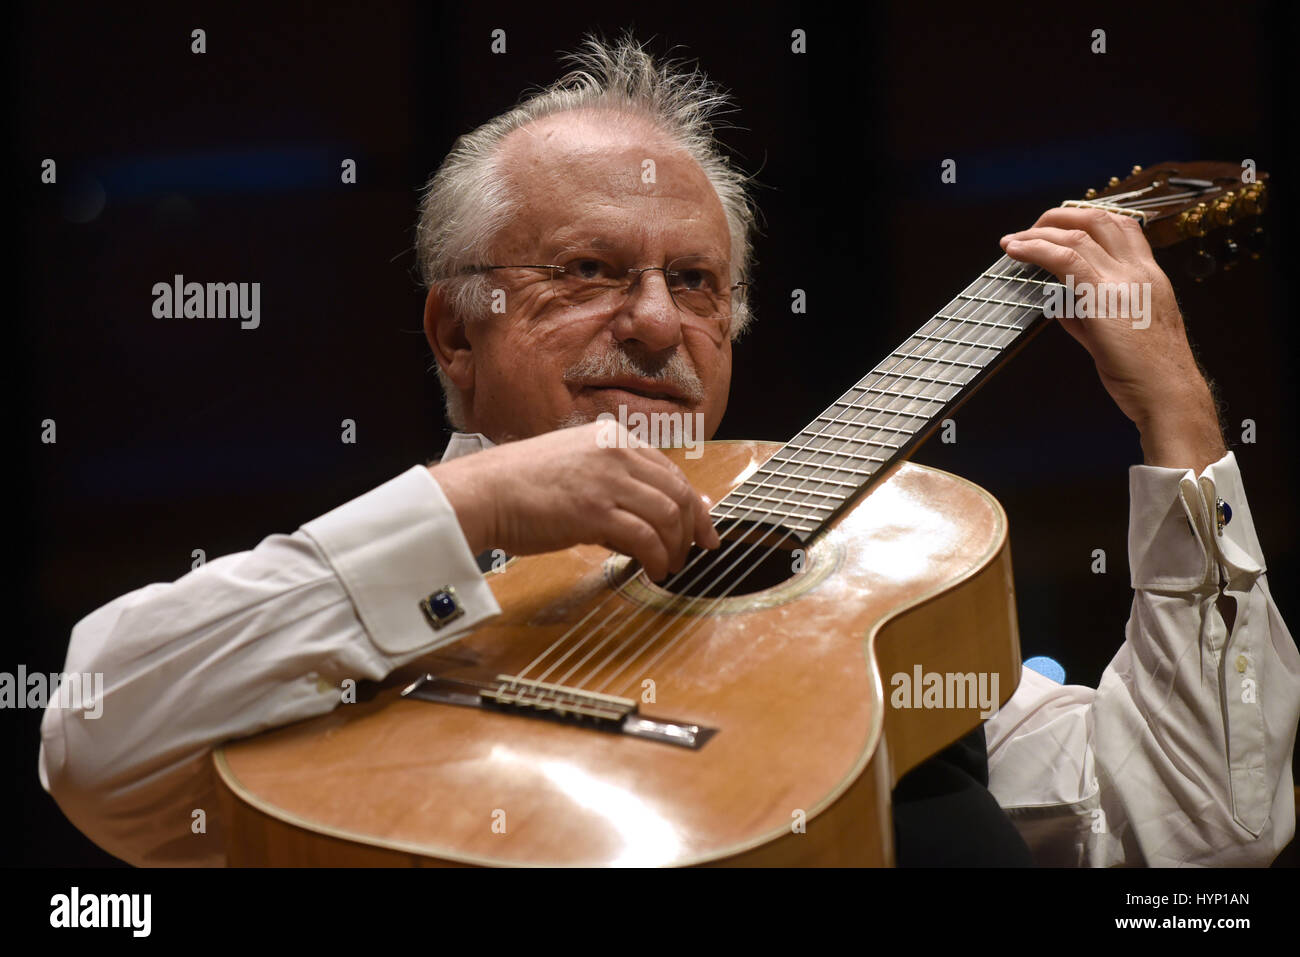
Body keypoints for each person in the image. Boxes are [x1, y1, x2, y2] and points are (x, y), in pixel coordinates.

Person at [39, 34, 1300, 867]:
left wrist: (1179, 422)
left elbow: (1203, 830)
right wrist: (468, 504)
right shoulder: (322, 615)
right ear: (453, 328)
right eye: (587, 271)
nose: (654, 323)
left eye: (694, 283)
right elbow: (96, 739)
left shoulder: (883, 623)